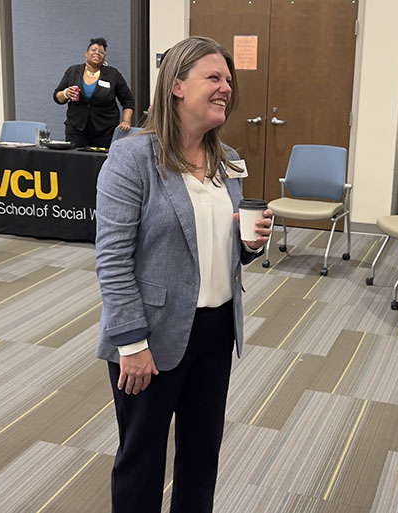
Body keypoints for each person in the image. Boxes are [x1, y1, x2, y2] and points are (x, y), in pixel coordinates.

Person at [94, 36, 272, 513]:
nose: (226, 88)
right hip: (150, 335)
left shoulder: (226, 158)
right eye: (214, 77)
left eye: (228, 80)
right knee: (142, 461)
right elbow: (112, 258)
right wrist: (131, 343)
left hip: (215, 330)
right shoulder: (133, 157)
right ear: (176, 85)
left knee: (201, 455)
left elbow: (218, 245)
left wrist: (249, 245)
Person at [53, 37, 135, 148]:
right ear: (86, 53)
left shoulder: (113, 74)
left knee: (101, 158)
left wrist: (126, 121)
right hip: (76, 128)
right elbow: (57, 97)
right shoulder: (73, 71)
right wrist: (66, 93)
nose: (97, 53)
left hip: (105, 130)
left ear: (104, 57)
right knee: (75, 157)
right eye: (94, 50)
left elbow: (128, 100)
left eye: (101, 52)